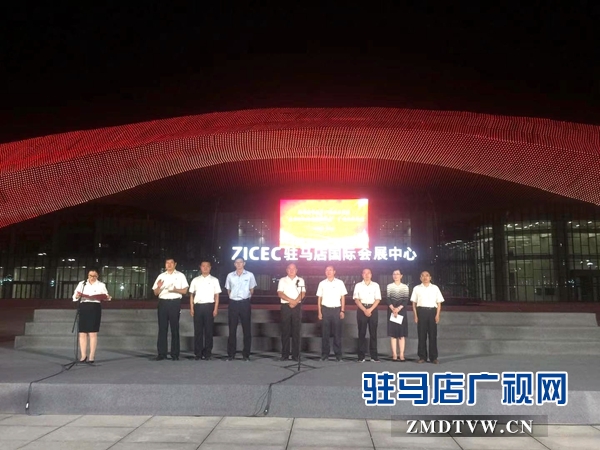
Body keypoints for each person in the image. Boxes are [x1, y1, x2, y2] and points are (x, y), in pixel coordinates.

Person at [152, 257, 189, 361]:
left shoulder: (180, 275)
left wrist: (175, 290)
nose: (169, 265)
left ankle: (175, 354)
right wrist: (159, 287)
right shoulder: (161, 276)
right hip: (163, 303)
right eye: (167, 263)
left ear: (175, 264)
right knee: (162, 328)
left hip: (174, 303)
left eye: (171, 263)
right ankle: (161, 353)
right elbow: (155, 293)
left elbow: (185, 291)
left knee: (174, 328)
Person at [72, 269, 111, 364]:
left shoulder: (101, 285)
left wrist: (107, 297)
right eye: (90, 275)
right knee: (82, 333)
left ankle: (91, 356)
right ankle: (83, 356)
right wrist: (77, 296)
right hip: (84, 307)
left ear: (97, 276)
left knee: (92, 333)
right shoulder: (82, 284)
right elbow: (74, 296)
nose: (92, 277)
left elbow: (106, 296)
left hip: (95, 308)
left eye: (94, 276)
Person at [225, 257, 257, 361]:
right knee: (232, 329)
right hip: (233, 303)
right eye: (237, 262)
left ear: (244, 263)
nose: (239, 264)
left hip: (244, 303)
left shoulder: (250, 275)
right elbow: (228, 290)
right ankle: (231, 354)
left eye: (240, 262)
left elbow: (251, 290)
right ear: (234, 264)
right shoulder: (230, 275)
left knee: (246, 329)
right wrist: (233, 298)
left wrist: (245, 298)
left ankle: (246, 354)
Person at [189, 259, 222, 360]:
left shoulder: (214, 280)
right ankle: (198, 353)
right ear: (200, 267)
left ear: (210, 268)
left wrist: (215, 308)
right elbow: (191, 295)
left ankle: (208, 353)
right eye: (203, 266)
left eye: (207, 266)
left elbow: (217, 296)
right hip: (198, 307)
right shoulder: (195, 280)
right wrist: (192, 308)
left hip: (209, 306)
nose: (205, 268)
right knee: (198, 331)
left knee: (209, 331)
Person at [411, 271, 444, 364]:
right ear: (420, 278)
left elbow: (439, 303)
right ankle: (422, 357)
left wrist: (437, 315)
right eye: (423, 276)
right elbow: (414, 304)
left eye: (427, 276)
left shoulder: (435, 288)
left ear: (430, 277)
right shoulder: (416, 288)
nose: (425, 277)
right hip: (421, 312)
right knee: (421, 335)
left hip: (432, 312)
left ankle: (433, 357)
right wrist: (415, 315)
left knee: (433, 335)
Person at [316, 265, 347, 361]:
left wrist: (342, 310)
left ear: (334, 271)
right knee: (325, 333)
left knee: (337, 333)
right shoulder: (322, 283)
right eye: (327, 270)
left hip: (336, 309)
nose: (328, 272)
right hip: (325, 309)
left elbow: (343, 297)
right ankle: (325, 355)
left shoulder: (340, 283)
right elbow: (319, 298)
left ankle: (338, 355)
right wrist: (319, 312)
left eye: (330, 270)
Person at [277, 263, 306, 361]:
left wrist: (295, 302)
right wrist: (291, 301)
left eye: (294, 269)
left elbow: (303, 293)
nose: (292, 270)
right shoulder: (282, 280)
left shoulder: (300, 280)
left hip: (297, 306)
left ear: (296, 270)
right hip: (286, 306)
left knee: (296, 331)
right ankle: (285, 354)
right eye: (290, 268)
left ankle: (295, 355)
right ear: (287, 270)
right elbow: (280, 293)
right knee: (285, 330)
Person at [353, 268, 382, 362]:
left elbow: (378, 299)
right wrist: (365, 310)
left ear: (371, 275)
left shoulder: (376, 285)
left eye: (368, 273)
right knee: (361, 333)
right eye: (364, 273)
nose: (366, 275)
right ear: (362, 275)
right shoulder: (358, 285)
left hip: (373, 309)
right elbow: (356, 299)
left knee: (373, 333)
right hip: (362, 309)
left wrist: (370, 309)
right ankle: (361, 356)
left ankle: (374, 356)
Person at [387, 269, 409, 361]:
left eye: (397, 274)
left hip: (401, 311)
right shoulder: (389, 286)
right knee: (393, 334)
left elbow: (405, 300)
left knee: (401, 334)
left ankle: (402, 354)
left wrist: (398, 309)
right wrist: (393, 309)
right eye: (394, 274)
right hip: (391, 311)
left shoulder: (405, 287)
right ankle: (394, 354)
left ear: (401, 276)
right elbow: (388, 299)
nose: (396, 276)